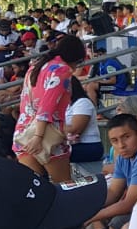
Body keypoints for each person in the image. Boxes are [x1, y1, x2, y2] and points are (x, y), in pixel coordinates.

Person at [13, 34, 86, 184]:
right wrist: (38, 137)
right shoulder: (62, 70)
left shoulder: (35, 67)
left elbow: (26, 101)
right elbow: (46, 108)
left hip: (24, 133)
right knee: (65, 186)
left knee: (33, 189)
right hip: (46, 136)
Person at [66, 76, 105, 165]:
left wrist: (55, 127)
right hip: (72, 144)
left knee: (50, 154)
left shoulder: (83, 102)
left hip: (88, 146)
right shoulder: (67, 104)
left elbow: (75, 129)